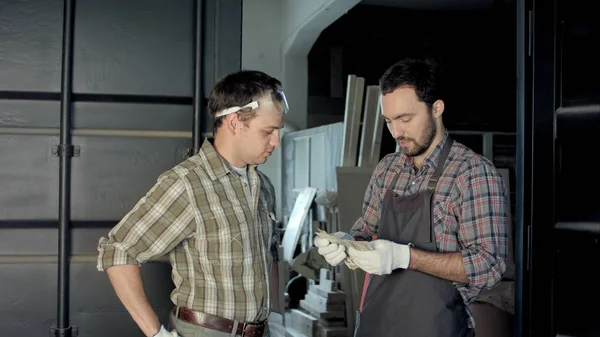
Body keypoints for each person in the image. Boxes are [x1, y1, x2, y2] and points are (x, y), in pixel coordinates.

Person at [315, 58, 509, 337]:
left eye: (405, 119)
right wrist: (345, 245)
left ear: (437, 108)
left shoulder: (472, 173)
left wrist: (404, 257)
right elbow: (364, 232)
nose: (396, 133)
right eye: (389, 121)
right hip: (375, 325)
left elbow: (489, 265)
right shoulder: (387, 169)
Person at [97, 70, 288, 337]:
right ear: (234, 123)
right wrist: (157, 335)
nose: (276, 141)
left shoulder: (263, 186)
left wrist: (276, 317)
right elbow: (118, 251)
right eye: (268, 131)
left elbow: (271, 257)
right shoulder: (187, 184)